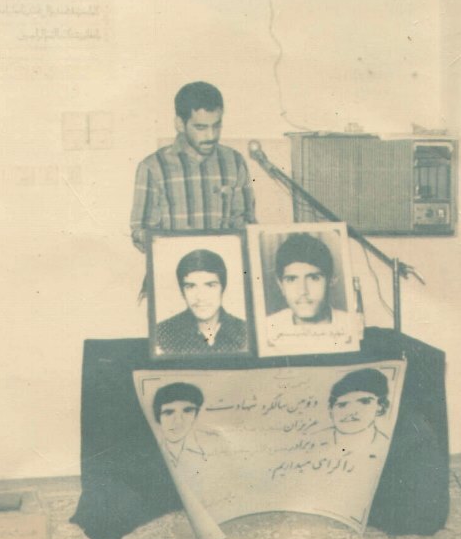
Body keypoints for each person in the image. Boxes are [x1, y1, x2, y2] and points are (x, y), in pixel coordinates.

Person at [130, 81, 256, 253]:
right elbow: (141, 231)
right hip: (172, 265)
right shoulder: (153, 167)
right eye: (200, 127)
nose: (211, 136)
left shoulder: (235, 162)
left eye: (216, 126)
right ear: (180, 124)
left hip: (222, 265)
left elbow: (246, 224)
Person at [154, 249, 248, 355]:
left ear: (223, 288)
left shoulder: (246, 332)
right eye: (191, 286)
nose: (201, 297)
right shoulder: (161, 335)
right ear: (182, 292)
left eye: (210, 285)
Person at [266, 232, 339, 338]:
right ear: (281, 285)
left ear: (331, 280)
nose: (303, 291)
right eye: (291, 279)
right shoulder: (267, 329)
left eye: (314, 278)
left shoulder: (352, 325)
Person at [327, 368, 391, 459]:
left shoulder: (387, 444)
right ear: (331, 410)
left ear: (380, 407)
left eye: (364, 402)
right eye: (342, 405)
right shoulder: (312, 442)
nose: (351, 412)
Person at [152, 382, 206, 467]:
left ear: (196, 415)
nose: (178, 421)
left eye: (187, 411)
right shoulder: (149, 451)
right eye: (169, 412)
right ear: (158, 417)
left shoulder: (213, 448)